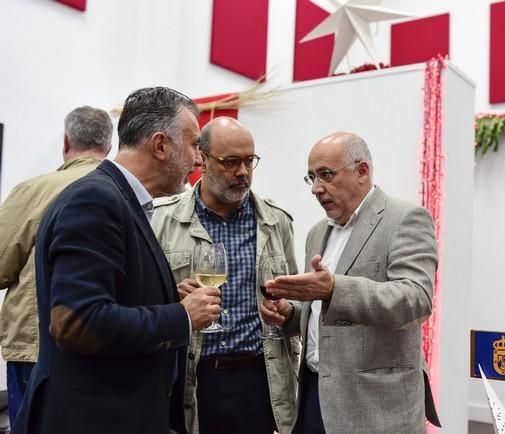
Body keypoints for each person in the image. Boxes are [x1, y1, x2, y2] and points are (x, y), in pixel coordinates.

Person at [12, 87, 221, 434]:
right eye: (193, 144)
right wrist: (180, 316)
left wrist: (169, 299)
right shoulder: (96, 200)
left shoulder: (119, 199)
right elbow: (77, 323)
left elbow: (111, 298)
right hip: (92, 418)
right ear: (160, 145)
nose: (199, 159)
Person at [263, 132, 442, 433]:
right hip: (314, 398)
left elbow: (415, 300)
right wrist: (291, 314)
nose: (317, 189)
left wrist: (336, 289)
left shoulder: (405, 219)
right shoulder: (317, 233)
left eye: (326, 175)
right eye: (311, 178)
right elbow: (321, 310)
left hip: (376, 408)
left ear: (362, 171)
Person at [151, 116, 300, 434]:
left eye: (249, 161)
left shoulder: (276, 222)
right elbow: (138, 304)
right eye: (231, 162)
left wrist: (287, 312)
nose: (243, 173)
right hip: (191, 379)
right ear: (201, 160)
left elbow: (297, 302)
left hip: (258, 381)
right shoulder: (160, 220)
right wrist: (169, 298)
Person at [0, 105, 113, 427]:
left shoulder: (33, 190)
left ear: (66, 141)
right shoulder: (125, 192)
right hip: (106, 341)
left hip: (36, 344)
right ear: (108, 146)